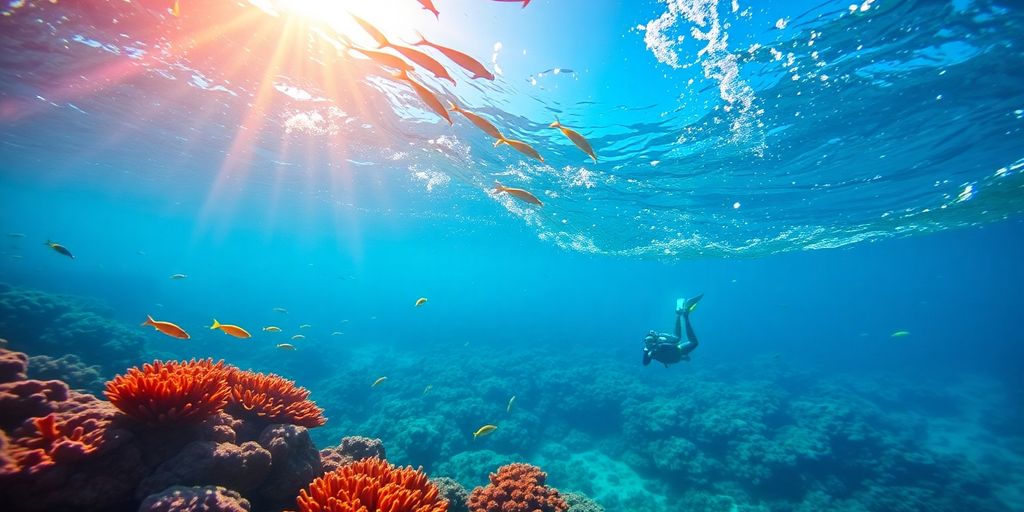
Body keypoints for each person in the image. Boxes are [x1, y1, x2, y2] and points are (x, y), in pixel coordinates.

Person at [643, 294, 704, 367]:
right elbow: (645, 363)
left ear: (655, 341)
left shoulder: (660, 347)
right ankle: (680, 314)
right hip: (677, 354)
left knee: (686, 341)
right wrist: (648, 353)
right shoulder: (650, 352)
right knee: (682, 341)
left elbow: (675, 345)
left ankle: (683, 315)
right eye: (647, 341)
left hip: (677, 351)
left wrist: (653, 351)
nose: (649, 344)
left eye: (650, 341)